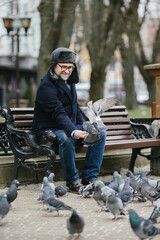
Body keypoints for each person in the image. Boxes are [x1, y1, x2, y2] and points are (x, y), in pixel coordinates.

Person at [32, 47, 106, 193]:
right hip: (48, 129)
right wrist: (74, 131)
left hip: (67, 125)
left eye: (70, 67)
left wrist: (84, 125)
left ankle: (90, 177)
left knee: (100, 133)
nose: (67, 71)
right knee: (66, 138)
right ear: (54, 65)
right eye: (63, 67)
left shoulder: (70, 82)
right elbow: (58, 113)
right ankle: (72, 181)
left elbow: (75, 107)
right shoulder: (46, 86)